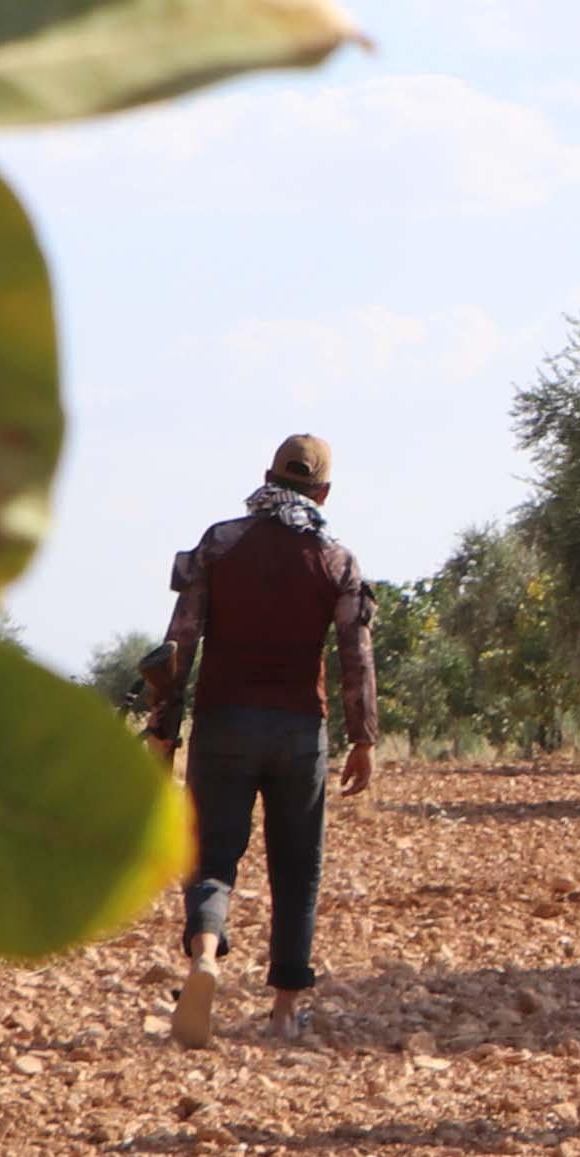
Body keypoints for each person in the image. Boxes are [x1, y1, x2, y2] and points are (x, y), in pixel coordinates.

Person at [144, 434, 379, 1049]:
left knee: (212, 858)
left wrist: (164, 729)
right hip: (300, 732)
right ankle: (282, 1011)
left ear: (266, 478)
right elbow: (356, 657)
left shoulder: (220, 545)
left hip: (223, 724)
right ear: (324, 493)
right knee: (298, 871)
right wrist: (363, 739)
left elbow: (179, 642)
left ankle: (205, 959)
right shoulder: (337, 561)